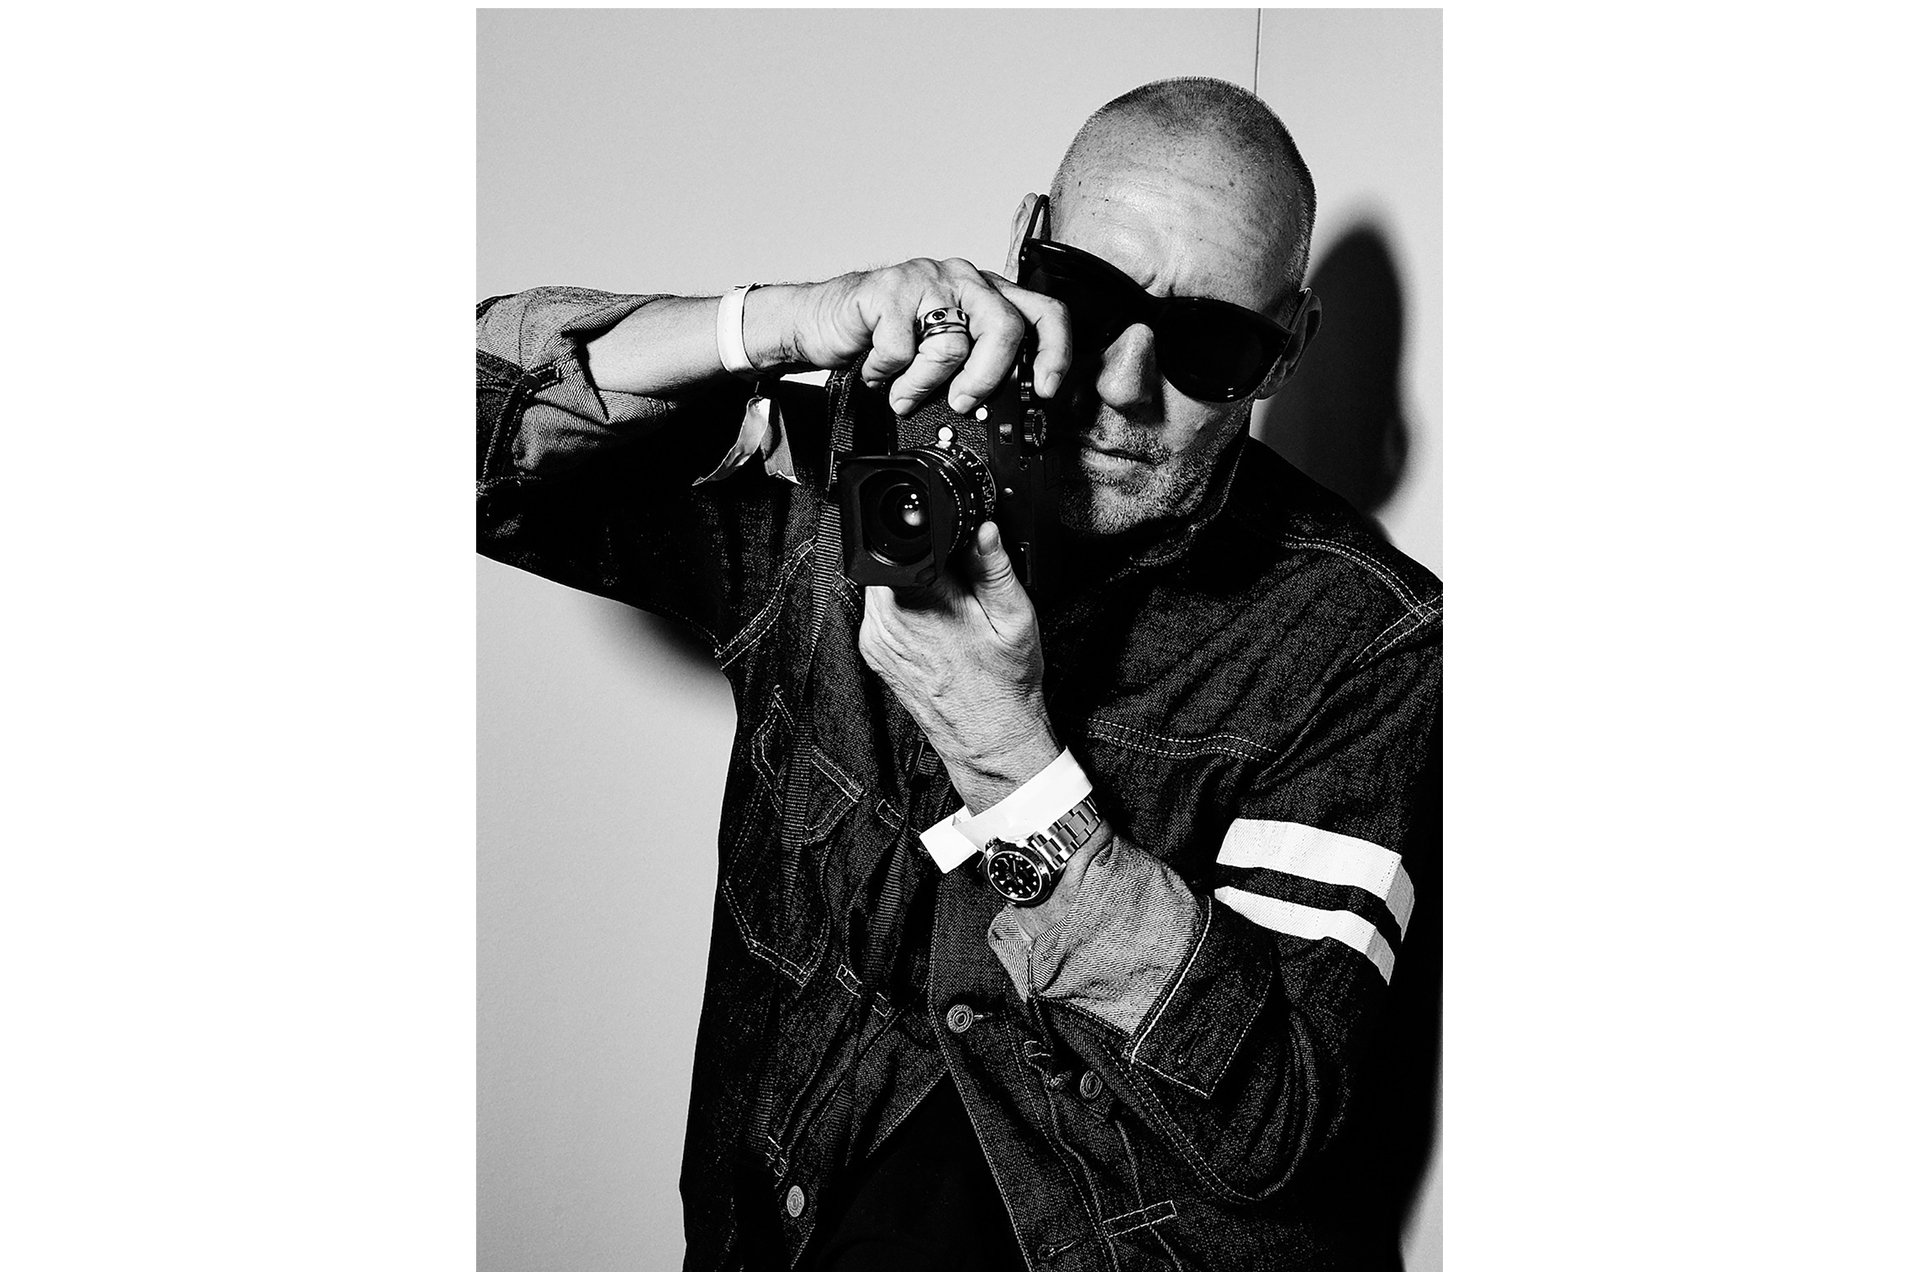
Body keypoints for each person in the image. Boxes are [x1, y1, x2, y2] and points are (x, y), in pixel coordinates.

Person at [477, 76, 1440, 1271]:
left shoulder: (1363, 639)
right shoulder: (860, 466)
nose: (1124, 383)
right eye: (1091, 298)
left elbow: (1268, 1123)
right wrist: (779, 321)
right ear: (1028, 245)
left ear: (1286, 348)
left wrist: (1011, 758)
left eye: (1209, 344)